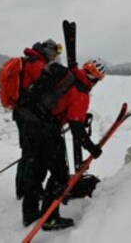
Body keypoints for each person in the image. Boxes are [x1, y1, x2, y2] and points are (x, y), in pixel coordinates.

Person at [17, 58, 106, 231]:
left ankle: (30, 213)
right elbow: (77, 130)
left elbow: (63, 106)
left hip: (31, 124)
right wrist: (93, 149)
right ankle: (50, 218)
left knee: (37, 169)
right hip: (48, 131)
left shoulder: (69, 76)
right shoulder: (81, 93)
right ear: (94, 79)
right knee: (59, 175)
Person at [13, 39, 62, 200]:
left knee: (27, 152)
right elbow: (39, 92)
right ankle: (26, 190)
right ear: (48, 51)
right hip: (27, 114)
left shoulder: (32, 61)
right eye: (55, 52)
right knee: (30, 153)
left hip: (22, 112)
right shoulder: (37, 65)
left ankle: (24, 188)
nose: (55, 56)